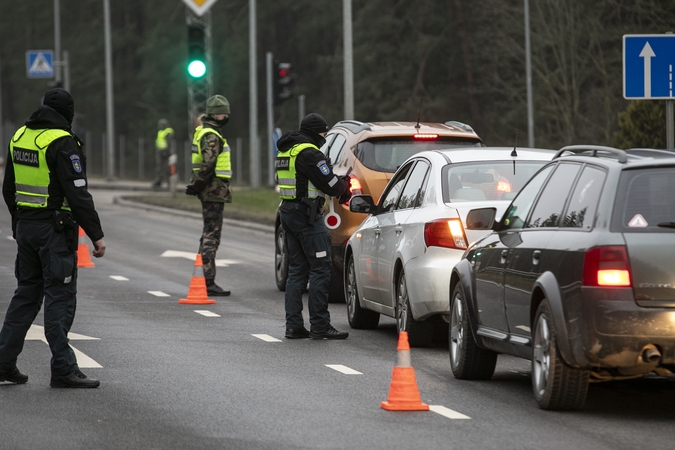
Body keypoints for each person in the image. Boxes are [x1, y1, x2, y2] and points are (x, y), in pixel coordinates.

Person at [0, 88, 106, 388]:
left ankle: (4, 363)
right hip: (54, 231)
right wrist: (96, 235)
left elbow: (8, 189)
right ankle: (63, 368)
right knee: (59, 296)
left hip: (26, 229)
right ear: (68, 114)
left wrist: (20, 223)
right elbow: (77, 194)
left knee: (26, 295)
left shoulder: (20, 136)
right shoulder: (62, 141)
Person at [276, 113, 352, 340]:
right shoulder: (310, 153)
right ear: (315, 133)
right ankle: (320, 325)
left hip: (289, 214)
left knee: (297, 271)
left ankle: (294, 326)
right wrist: (343, 187)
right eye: (324, 134)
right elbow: (329, 184)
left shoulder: (286, 151)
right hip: (307, 217)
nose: (325, 138)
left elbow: (308, 179)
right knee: (320, 268)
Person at [185, 95, 232, 296]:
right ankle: (207, 280)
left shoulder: (205, 131)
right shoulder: (211, 135)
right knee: (212, 235)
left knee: (208, 232)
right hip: (213, 190)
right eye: (224, 113)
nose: (226, 116)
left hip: (211, 189)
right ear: (215, 114)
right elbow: (209, 164)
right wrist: (196, 185)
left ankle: (202, 276)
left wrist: (196, 185)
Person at [151, 118, 174, 189]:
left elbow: (169, 142)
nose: (159, 126)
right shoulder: (160, 132)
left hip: (165, 152)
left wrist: (166, 151)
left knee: (167, 167)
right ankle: (158, 181)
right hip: (160, 151)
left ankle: (169, 183)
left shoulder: (168, 131)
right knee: (159, 168)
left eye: (161, 125)